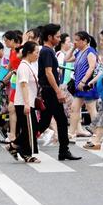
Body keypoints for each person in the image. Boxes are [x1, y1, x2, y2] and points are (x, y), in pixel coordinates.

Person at [35, 24, 81, 161]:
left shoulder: (47, 51)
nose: (59, 38)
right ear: (50, 37)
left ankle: (21, 142)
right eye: (57, 36)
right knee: (60, 120)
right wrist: (58, 91)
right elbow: (49, 73)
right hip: (50, 90)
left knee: (45, 121)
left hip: (49, 90)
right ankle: (63, 150)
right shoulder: (47, 51)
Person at [5, 41, 41, 163]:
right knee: (29, 129)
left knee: (30, 129)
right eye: (36, 52)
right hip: (24, 103)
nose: (37, 55)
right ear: (29, 53)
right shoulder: (24, 66)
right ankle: (26, 153)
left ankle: (13, 146)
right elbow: (24, 85)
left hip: (28, 102)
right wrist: (26, 103)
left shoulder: (29, 65)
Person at [68, 31, 99, 139]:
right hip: (78, 86)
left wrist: (83, 81)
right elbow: (66, 59)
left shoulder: (90, 52)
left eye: (77, 40)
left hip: (87, 85)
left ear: (85, 41)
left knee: (91, 108)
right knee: (74, 108)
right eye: (74, 40)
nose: (75, 42)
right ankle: (71, 132)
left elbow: (91, 67)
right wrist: (73, 48)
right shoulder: (79, 52)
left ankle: (96, 133)